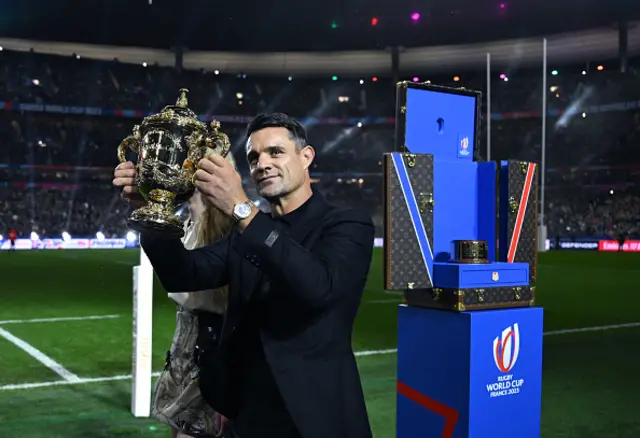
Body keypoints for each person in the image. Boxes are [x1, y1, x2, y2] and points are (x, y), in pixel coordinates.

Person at [113, 113, 375, 438]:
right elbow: (183, 274)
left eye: (275, 152)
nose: (262, 163)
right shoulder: (247, 230)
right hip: (250, 417)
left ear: (306, 157)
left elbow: (317, 287)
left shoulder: (347, 224)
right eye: (253, 157)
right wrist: (152, 208)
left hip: (314, 418)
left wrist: (241, 208)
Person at [114, 151, 236, 438]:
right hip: (185, 350)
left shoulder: (229, 232)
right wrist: (149, 205)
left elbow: (187, 282)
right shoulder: (189, 225)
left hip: (213, 359)